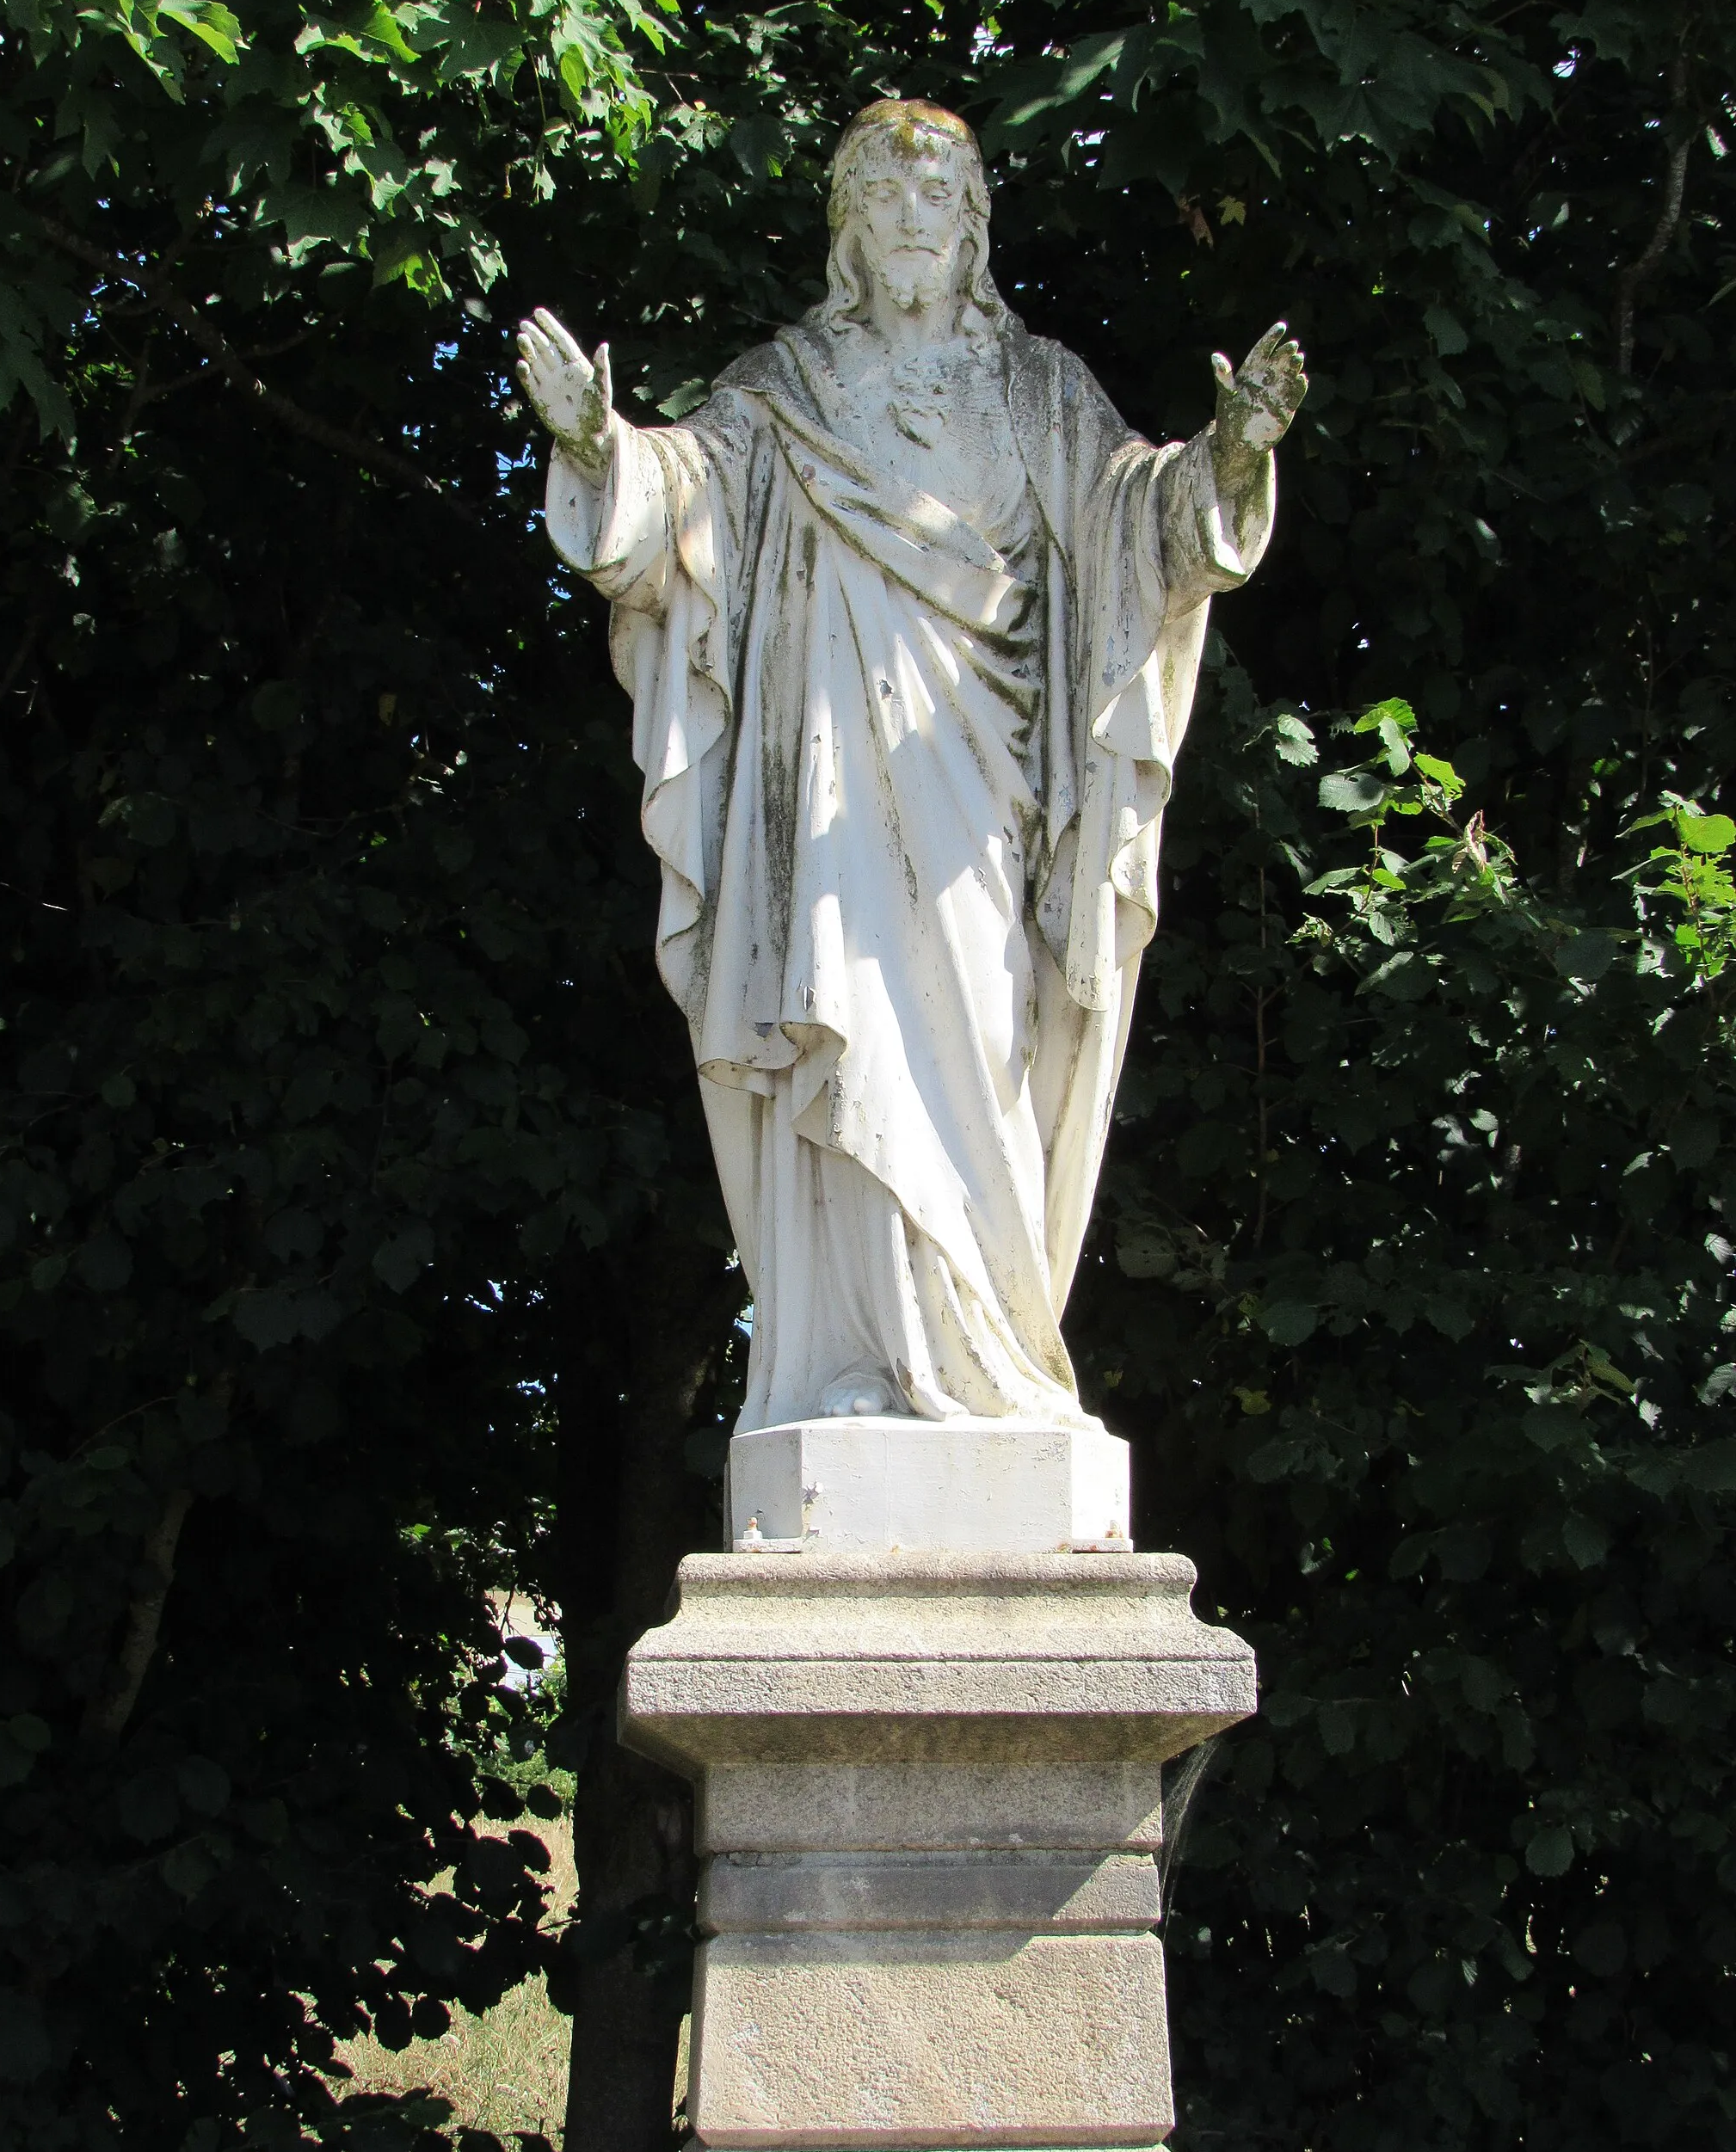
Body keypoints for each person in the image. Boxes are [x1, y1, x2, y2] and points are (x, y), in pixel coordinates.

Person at [517, 99, 1305, 1434]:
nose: (909, 222)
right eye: (880, 200)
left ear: (973, 223)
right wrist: (602, 448)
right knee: (846, 1032)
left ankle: (985, 1356)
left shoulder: (1041, 389)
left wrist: (1226, 462)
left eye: (935, 199)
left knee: (982, 1059)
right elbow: (677, 502)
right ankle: (851, 1366)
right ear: (847, 230)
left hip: (987, 803)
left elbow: (1141, 520)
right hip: (830, 798)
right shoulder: (783, 391)